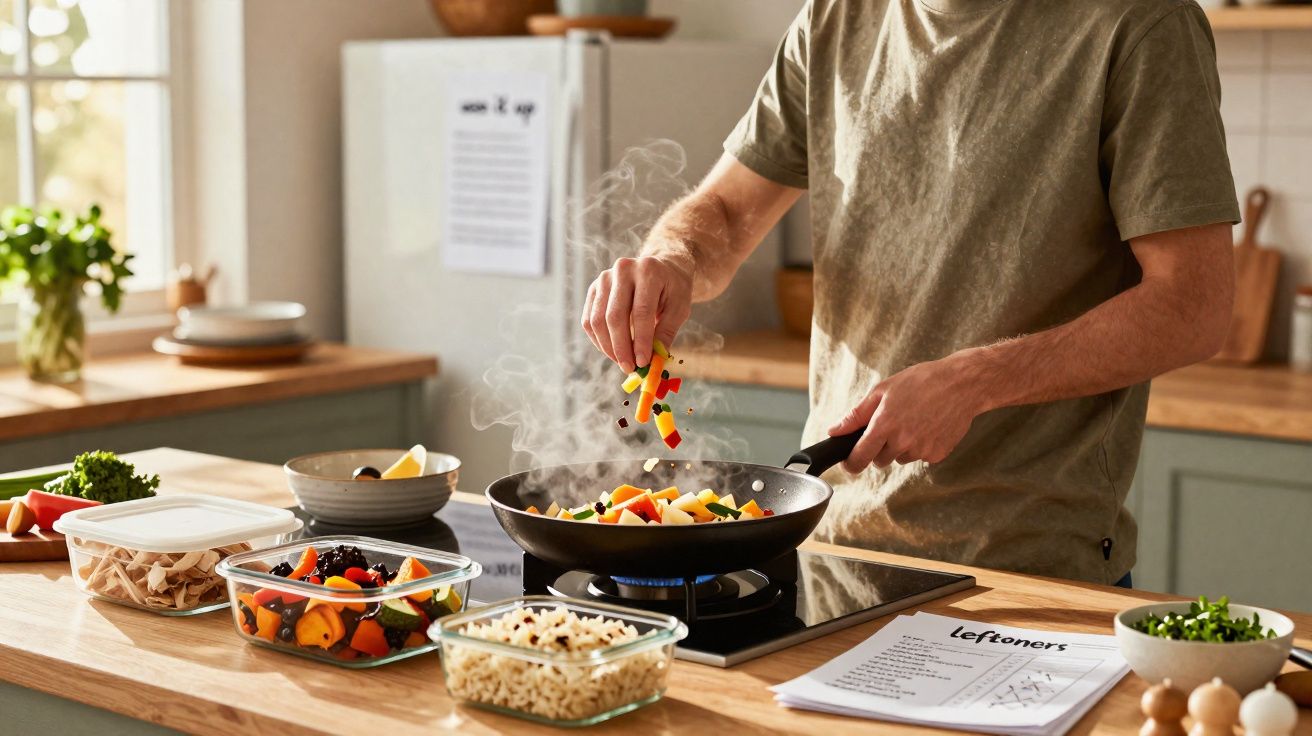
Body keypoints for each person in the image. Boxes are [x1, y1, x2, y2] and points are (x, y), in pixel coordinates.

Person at [579, 0, 1238, 587]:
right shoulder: (835, 19)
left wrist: (973, 382)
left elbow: (1193, 307)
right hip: (831, 552)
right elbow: (724, 212)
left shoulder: (1142, 24)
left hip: (1026, 573)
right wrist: (672, 259)